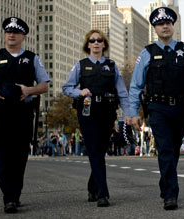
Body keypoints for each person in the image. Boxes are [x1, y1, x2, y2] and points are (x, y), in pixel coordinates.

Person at [129, 7, 184, 210]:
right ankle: (171, 195)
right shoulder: (147, 53)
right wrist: (132, 112)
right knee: (164, 149)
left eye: (168, 23)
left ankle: (166, 183)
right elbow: (136, 85)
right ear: (155, 28)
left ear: (173, 26)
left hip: (181, 108)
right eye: (160, 24)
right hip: (157, 108)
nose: (165, 26)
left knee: (173, 151)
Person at [0, 17, 49, 213]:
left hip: (23, 112)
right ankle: (8, 196)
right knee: (1, 155)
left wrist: (28, 90)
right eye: (8, 31)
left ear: (23, 36)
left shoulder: (32, 58)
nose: (11, 35)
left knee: (19, 156)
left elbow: (44, 85)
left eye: (15, 32)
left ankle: (14, 194)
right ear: (5, 34)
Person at [63, 29, 131, 207]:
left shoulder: (112, 65)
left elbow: (122, 92)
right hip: (87, 112)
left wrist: (128, 113)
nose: (96, 43)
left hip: (107, 111)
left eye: (99, 40)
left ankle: (92, 186)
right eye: (92, 40)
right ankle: (103, 193)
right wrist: (79, 92)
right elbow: (66, 87)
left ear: (104, 44)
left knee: (99, 152)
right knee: (94, 150)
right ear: (87, 44)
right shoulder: (80, 65)